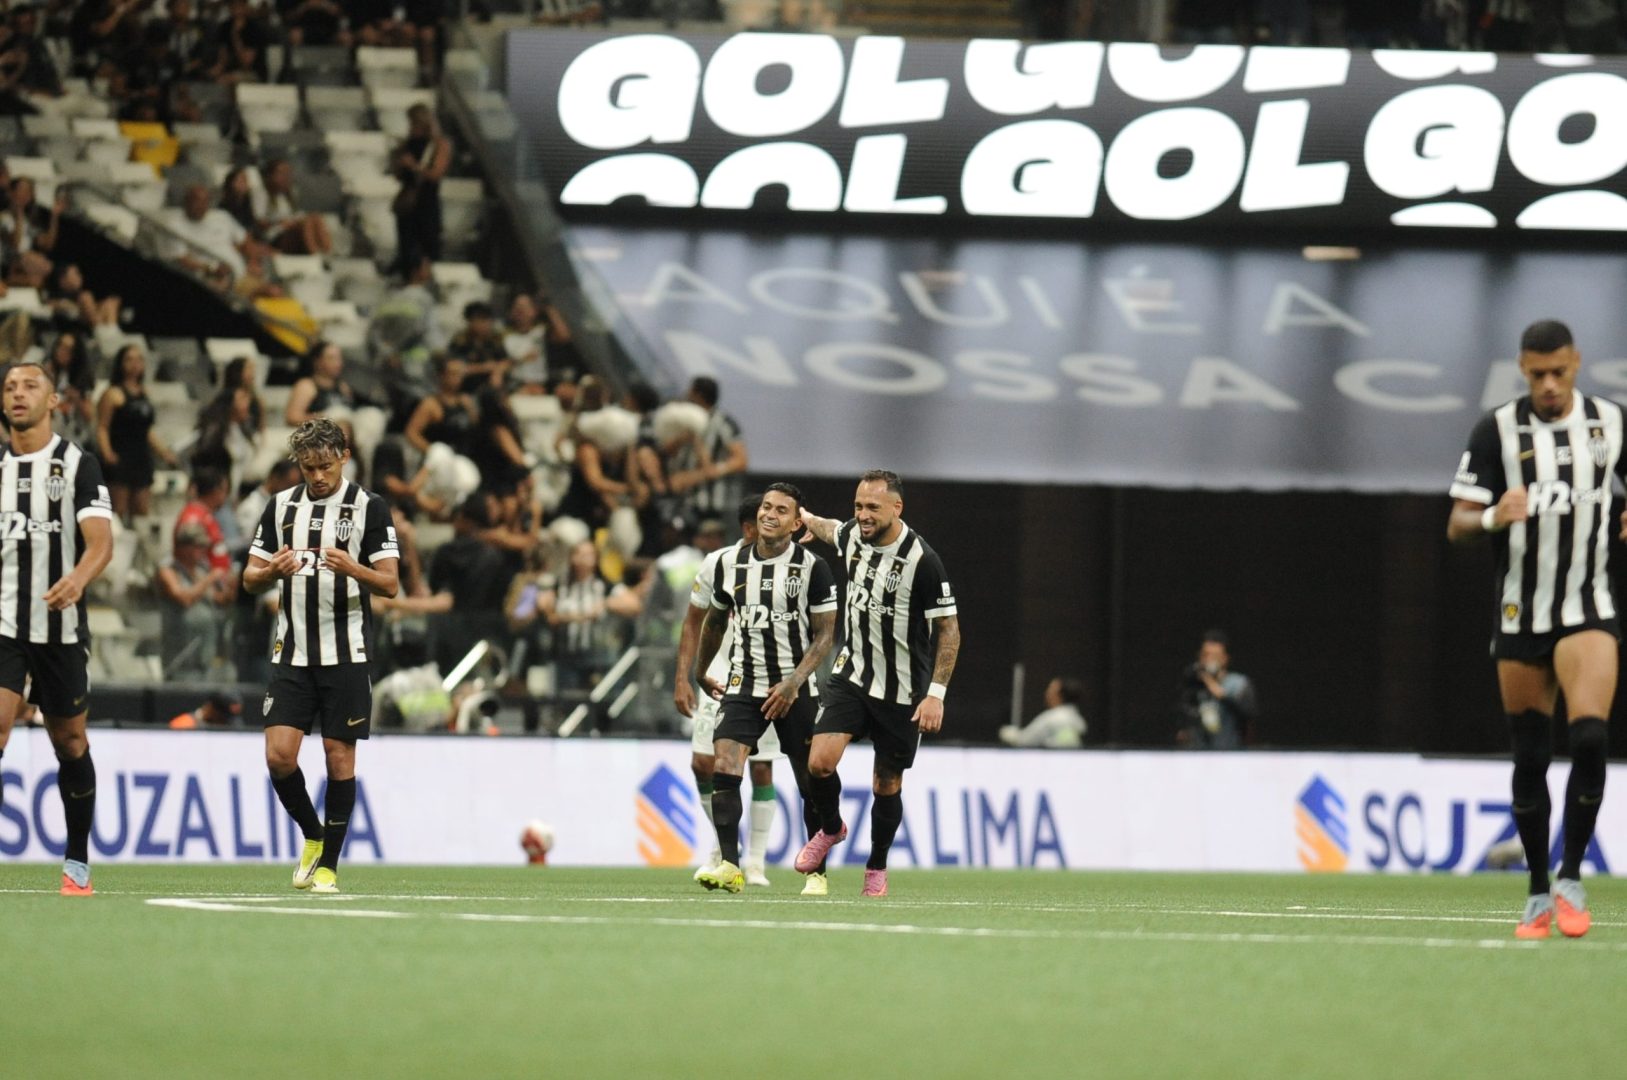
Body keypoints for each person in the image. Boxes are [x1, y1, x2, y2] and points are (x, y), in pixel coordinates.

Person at [1447, 318, 1620, 940]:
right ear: (1524, 369)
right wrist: (1494, 512)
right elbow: (1458, 522)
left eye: (1559, 372)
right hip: (1522, 612)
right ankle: (1537, 892)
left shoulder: (1612, 421)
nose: (1549, 384)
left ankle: (1571, 874)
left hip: (1587, 607)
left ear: (1576, 362)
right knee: (1530, 755)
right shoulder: (1497, 428)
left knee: (1593, 737)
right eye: (1537, 374)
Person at [243, 418, 400, 894]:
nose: (317, 476)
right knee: (279, 757)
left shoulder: (368, 508)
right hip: (291, 652)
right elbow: (248, 577)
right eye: (308, 467)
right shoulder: (280, 507)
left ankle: (329, 866)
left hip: (346, 652)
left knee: (338, 759)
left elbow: (390, 583)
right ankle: (313, 834)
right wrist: (272, 570)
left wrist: (355, 568)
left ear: (344, 457)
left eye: (325, 466)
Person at [794, 470, 960, 897]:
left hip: (902, 690)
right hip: (852, 675)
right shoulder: (852, 536)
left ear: (896, 508)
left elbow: (949, 630)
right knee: (819, 763)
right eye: (858, 506)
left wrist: (935, 695)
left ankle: (876, 867)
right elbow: (831, 530)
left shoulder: (923, 561)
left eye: (872, 508)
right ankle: (831, 828)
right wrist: (806, 517)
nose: (862, 516)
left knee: (886, 783)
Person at [682, 484, 838, 894]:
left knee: (809, 782)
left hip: (794, 687)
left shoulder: (812, 566)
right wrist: (700, 671)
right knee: (725, 766)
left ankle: (817, 873)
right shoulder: (728, 563)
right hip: (742, 683)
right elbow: (714, 620)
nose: (770, 514)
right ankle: (731, 865)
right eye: (767, 507)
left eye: (781, 510)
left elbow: (825, 635)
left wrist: (794, 682)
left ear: (796, 521)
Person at [0, 359, 114, 895]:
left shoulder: (76, 464)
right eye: (9, 388)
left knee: (69, 742)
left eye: (30, 386)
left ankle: (77, 862)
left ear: (53, 402)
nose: (17, 394)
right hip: (3, 622)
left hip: (61, 628)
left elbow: (100, 543)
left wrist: (77, 579)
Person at [670, 501, 787, 888]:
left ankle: (754, 862)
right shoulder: (717, 564)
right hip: (720, 679)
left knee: (761, 767)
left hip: (767, 677)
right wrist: (684, 677)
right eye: (763, 521)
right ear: (747, 528)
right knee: (704, 764)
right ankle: (725, 845)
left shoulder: (789, 565)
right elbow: (692, 623)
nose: (772, 527)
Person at [96, 343, 181, 523]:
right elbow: (102, 426)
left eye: (139, 360)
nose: (135, 364)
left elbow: (147, 430)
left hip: (141, 458)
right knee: (118, 510)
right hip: (121, 456)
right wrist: (107, 452)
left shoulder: (144, 393)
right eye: (129, 359)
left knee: (142, 511)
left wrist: (164, 453)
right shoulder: (112, 394)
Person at [157, 521, 233, 679]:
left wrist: (232, 586)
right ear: (183, 547)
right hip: (181, 657)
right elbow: (183, 598)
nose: (203, 551)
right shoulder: (168, 570)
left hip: (206, 655)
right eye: (198, 546)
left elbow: (218, 600)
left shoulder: (201, 569)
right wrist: (209, 579)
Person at [390, 103, 451, 279]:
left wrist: (414, 166)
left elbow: (436, 174)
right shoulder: (408, 144)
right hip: (409, 203)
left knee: (428, 247)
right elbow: (398, 175)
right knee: (407, 246)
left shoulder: (438, 145)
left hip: (427, 201)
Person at [1174, 631, 1257, 751]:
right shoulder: (1193, 686)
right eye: (1206, 655)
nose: (1209, 660)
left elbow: (1249, 714)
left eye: (1215, 656)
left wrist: (1221, 694)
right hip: (1198, 754)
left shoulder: (1238, 684)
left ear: (1225, 658)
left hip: (1230, 752)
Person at [1000, 676, 1086, 748]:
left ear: (1059, 695)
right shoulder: (1077, 719)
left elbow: (1025, 740)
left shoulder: (1053, 718)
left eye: (1051, 690)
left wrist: (1008, 733)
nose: (1047, 694)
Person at [169, 690, 243, 729]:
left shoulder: (234, 724)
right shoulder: (183, 725)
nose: (224, 724)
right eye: (222, 718)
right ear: (210, 708)